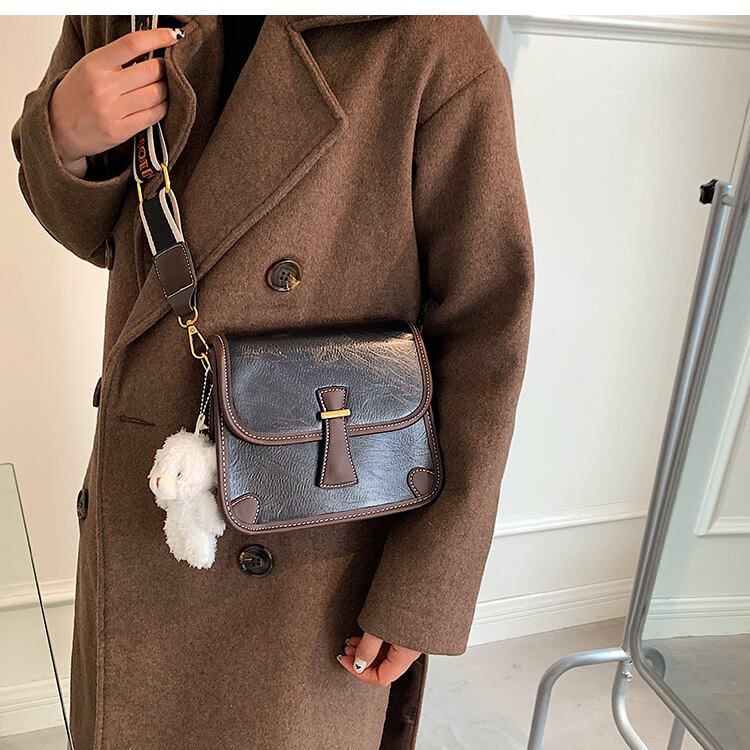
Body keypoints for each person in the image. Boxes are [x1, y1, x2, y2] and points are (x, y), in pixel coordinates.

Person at [12, 15, 534, 750]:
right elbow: (99, 235)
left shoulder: (429, 43)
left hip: (314, 543)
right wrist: (64, 137)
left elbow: (487, 331)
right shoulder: (122, 13)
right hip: (147, 502)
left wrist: (426, 584)